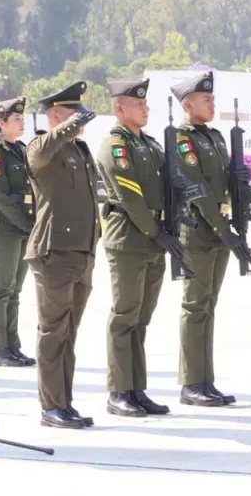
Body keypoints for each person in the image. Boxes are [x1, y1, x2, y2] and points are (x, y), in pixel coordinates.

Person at [170, 71, 251, 407]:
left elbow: (223, 181)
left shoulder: (217, 137)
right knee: (195, 307)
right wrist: (223, 230)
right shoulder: (183, 139)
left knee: (208, 307)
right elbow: (197, 189)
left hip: (220, 228)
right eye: (206, 99)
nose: (212, 102)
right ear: (188, 105)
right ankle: (191, 382)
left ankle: (206, 380)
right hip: (201, 232)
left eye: (213, 97)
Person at [98, 77, 178, 418]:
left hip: (153, 238)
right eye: (138, 103)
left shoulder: (151, 144)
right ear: (119, 108)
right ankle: (118, 391)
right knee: (124, 316)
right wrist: (155, 231)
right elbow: (129, 193)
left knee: (141, 318)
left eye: (146, 103)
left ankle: (136, 389)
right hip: (130, 239)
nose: (145, 107)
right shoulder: (116, 145)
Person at [24, 81, 99, 430]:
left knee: (69, 333)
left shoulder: (80, 150)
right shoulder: (42, 145)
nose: (81, 119)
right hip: (53, 251)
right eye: (74, 113)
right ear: (56, 115)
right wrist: (69, 125)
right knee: (53, 333)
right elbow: (42, 150)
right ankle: (51, 406)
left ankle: (64, 402)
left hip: (81, 252)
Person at [0, 97, 36, 368]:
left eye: (22, 117)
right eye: (16, 118)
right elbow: (2, 195)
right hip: (4, 229)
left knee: (15, 290)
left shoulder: (22, 150)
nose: (22, 121)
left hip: (23, 228)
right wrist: (25, 224)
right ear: (1, 123)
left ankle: (12, 346)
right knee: (1, 290)